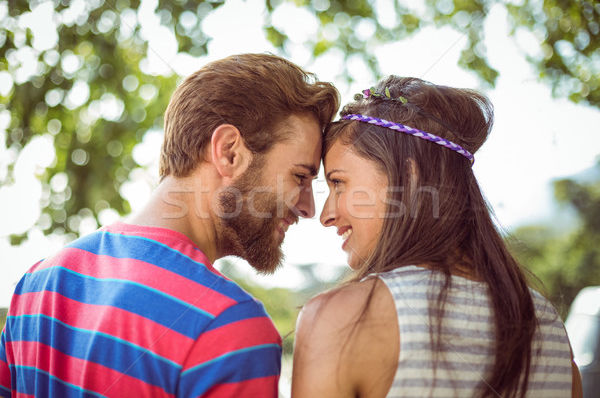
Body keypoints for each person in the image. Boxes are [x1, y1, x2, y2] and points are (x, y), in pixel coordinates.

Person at [0, 53, 339, 397]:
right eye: (300, 176)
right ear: (230, 152)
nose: (309, 208)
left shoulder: (37, 284)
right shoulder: (231, 328)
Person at [291, 76, 582, 397]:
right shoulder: (548, 325)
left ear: (410, 180)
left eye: (338, 183)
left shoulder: (339, 320)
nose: (325, 215)